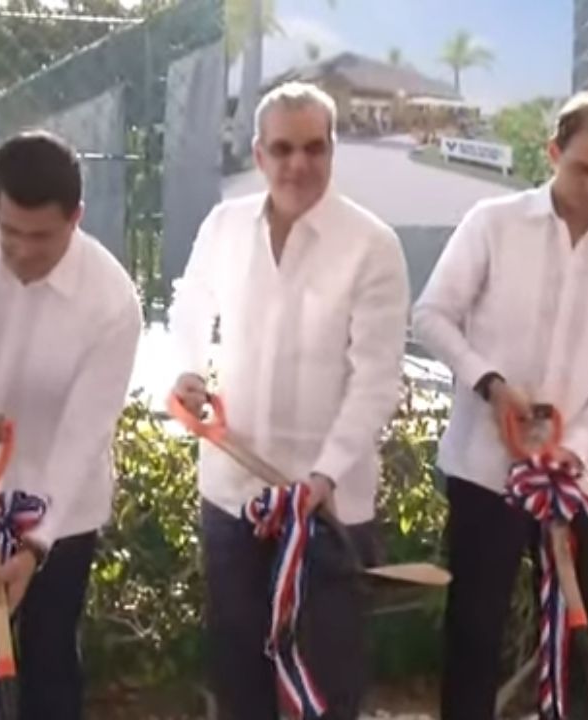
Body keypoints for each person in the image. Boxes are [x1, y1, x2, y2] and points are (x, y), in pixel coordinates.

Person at [168, 81, 410, 720]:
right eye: (282, 149)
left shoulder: (372, 245)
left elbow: (376, 379)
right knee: (239, 677)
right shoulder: (224, 225)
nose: (298, 164)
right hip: (233, 495)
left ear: (332, 149)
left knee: (327, 686)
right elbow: (190, 303)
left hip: (330, 508)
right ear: (258, 154)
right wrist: (189, 372)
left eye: (313, 148)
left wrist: (323, 477)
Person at [412, 91, 588, 720]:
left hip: (576, 478)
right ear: (552, 153)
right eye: (582, 168)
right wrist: (491, 385)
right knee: (474, 631)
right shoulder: (493, 223)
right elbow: (432, 315)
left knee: (573, 629)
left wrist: (579, 442)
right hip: (485, 469)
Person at [0, 131, 142, 720]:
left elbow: (85, 434)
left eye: (42, 237)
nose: (22, 250)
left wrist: (37, 544)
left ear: (76, 218)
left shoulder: (113, 301)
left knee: (48, 657)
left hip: (62, 510)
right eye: (9, 231)